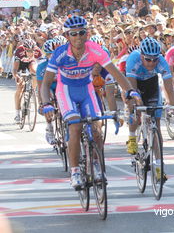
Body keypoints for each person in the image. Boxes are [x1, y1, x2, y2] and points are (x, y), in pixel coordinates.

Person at [41, 16, 137, 190]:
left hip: (86, 89)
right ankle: (75, 170)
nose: (78, 37)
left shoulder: (96, 50)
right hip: (66, 91)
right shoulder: (60, 53)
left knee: (96, 127)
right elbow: (46, 83)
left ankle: (97, 164)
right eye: (74, 34)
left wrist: (130, 90)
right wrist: (46, 103)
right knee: (75, 127)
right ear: (67, 36)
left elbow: (115, 74)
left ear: (87, 34)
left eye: (82, 33)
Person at [125, 37, 174, 182]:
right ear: (141, 55)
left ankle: (159, 168)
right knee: (134, 107)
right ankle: (132, 137)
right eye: (148, 60)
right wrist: (137, 103)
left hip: (151, 85)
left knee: (156, 124)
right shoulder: (133, 59)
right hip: (135, 85)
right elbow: (132, 88)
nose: (152, 63)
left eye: (155, 59)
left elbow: (169, 89)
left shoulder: (162, 62)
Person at [12, 39, 41, 123]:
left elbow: (42, 64)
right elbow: (15, 69)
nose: (31, 53)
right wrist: (16, 76)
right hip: (20, 65)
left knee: (35, 72)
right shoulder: (19, 51)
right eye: (28, 51)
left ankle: (32, 90)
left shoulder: (38, 51)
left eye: (32, 51)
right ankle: (17, 113)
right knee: (20, 87)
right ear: (24, 49)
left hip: (30, 63)